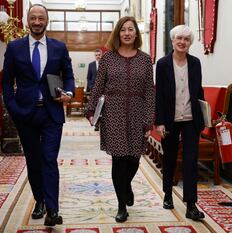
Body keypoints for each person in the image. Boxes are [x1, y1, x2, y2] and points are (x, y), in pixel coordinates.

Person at [2, 4, 75, 226]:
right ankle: (40, 200)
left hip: (52, 113)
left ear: (47, 20)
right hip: (25, 114)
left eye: (40, 18)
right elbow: (6, 82)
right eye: (32, 18)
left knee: (49, 159)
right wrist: (13, 109)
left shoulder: (59, 47)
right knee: (33, 161)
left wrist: (69, 92)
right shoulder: (14, 47)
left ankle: (53, 210)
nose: (36, 22)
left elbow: (69, 76)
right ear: (26, 20)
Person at [85, 16, 155, 223]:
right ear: (118, 33)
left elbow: (150, 91)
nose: (126, 33)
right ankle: (121, 205)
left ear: (136, 33)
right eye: (123, 29)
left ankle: (126, 187)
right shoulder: (107, 59)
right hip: (113, 113)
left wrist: (149, 118)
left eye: (130, 29)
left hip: (137, 112)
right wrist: (91, 111)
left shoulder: (145, 59)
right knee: (119, 159)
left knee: (134, 158)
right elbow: (98, 86)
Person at [155, 25, 205, 221]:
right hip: (169, 120)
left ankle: (191, 204)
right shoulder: (162, 64)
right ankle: (168, 193)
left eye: (186, 39)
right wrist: (159, 122)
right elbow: (159, 95)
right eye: (179, 38)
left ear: (190, 43)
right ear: (172, 41)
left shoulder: (195, 63)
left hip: (191, 120)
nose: (182, 42)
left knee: (191, 160)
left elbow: (198, 92)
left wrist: (203, 118)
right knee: (169, 157)